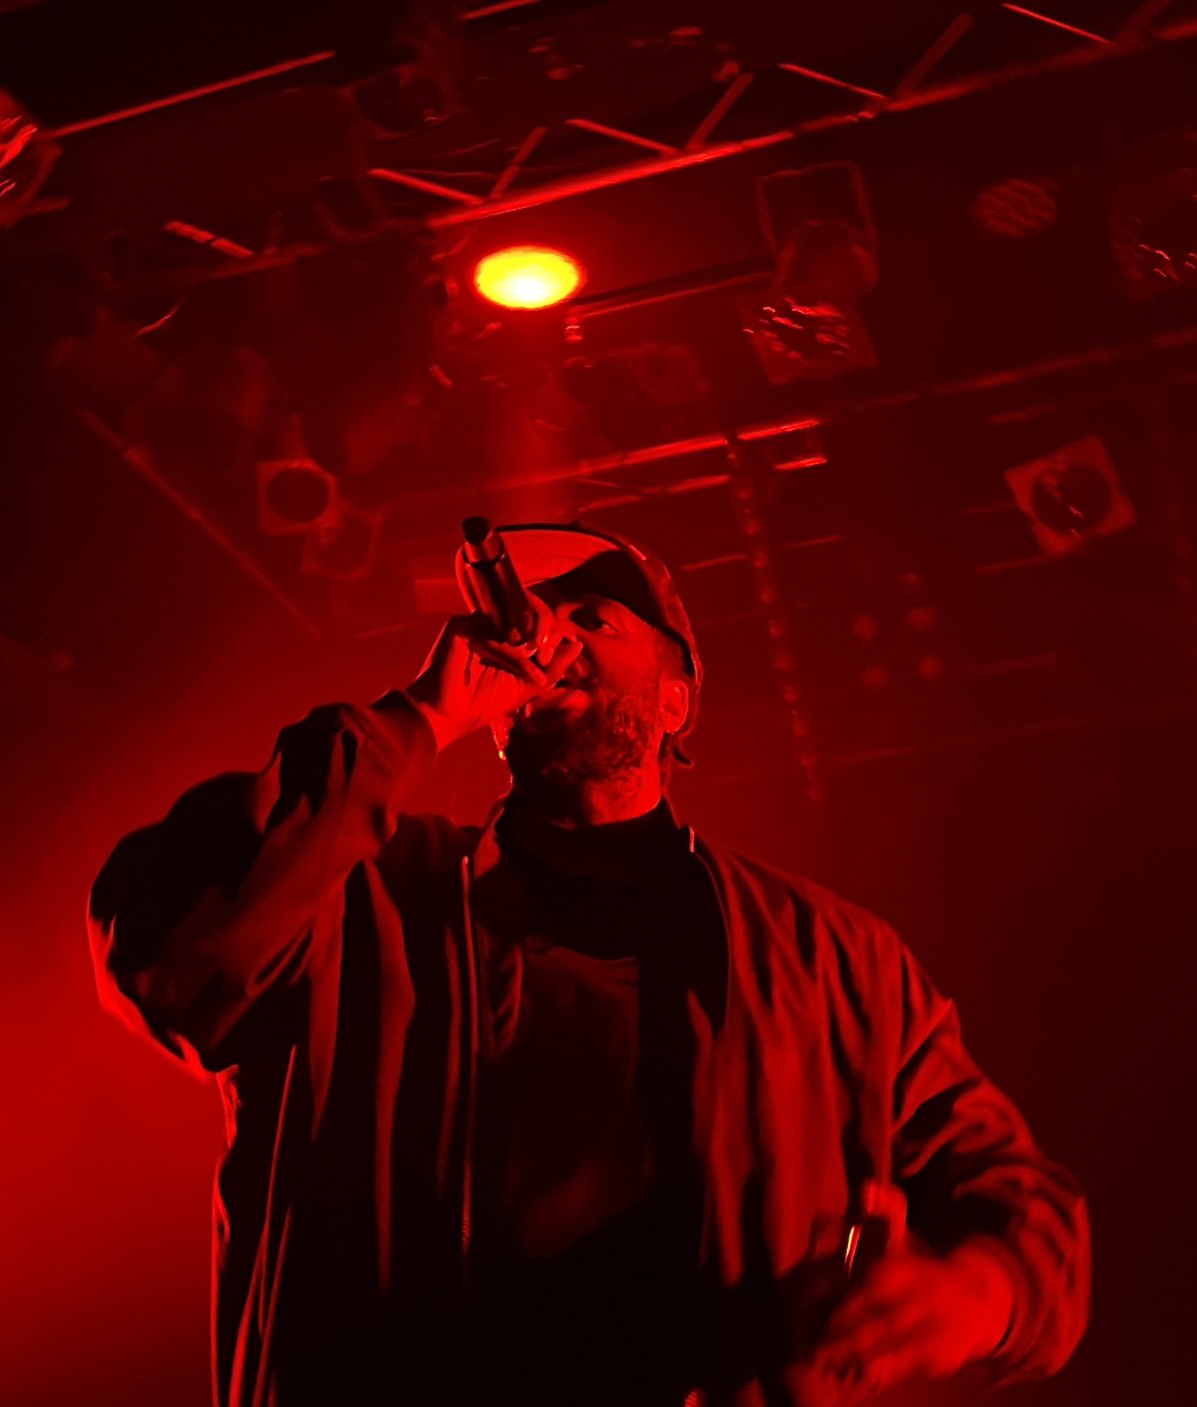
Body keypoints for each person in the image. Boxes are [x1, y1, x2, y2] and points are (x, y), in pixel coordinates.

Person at [89, 523, 1089, 1406]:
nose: (551, 634)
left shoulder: (831, 957)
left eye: (595, 615)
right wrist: (415, 719)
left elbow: (1020, 1197)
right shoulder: (360, 895)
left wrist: (981, 1292)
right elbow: (170, 957)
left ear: (676, 696)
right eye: (534, 612)